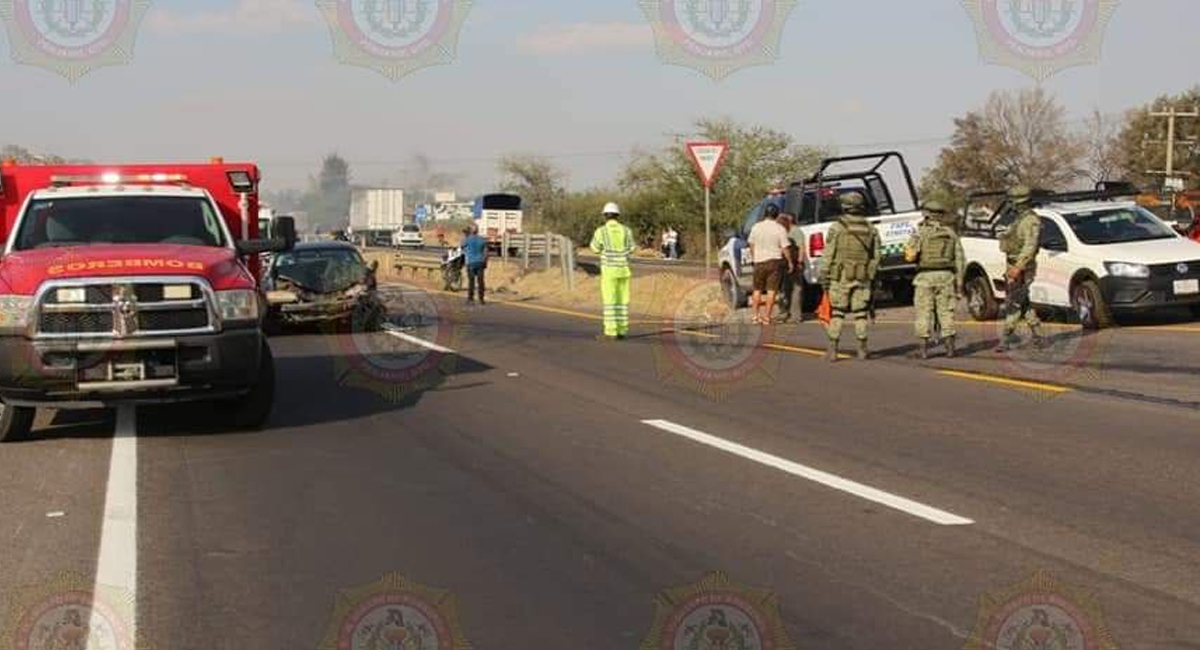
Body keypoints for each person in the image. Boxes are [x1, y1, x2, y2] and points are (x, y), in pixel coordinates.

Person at [820, 192, 881, 361]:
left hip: (840, 277)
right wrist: (871, 275)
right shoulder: (870, 228)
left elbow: (828, 254)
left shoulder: (837, 227)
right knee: (861, 313)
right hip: (862, 277)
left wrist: (823, 275)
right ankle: (862, 349)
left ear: (845, 206)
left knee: (837, 313)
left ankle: (832, 350)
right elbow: (876, 257)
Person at [905, 200, 966, 359]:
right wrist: (959, 283)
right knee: (946, 313)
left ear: (926, 213)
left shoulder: (919, 232)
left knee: (923, 313)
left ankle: (924, 351)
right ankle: (950, 350)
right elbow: (960, 259)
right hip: (946, 277)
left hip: (924, 278)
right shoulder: (950, 233)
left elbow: (910, 257)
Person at [996, 185, 1045, 352]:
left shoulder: (1031, 221)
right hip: (1013, 263)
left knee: (1014, 302)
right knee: (1023, 301)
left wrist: (1018, 267)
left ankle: (1006, 337)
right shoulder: (1020, 218)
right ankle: (1037, 334)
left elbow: (1030, 246)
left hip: (1022, 266)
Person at [590, 202, 634, 340]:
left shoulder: (601, 231)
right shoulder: (627, 231)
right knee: (622, 301)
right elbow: (632, 248)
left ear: (605, 216)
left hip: (609, 270)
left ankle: (611, 332)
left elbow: (595, 248)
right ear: (617, 215)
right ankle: (622, 330)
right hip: (624, 270)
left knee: (610, 302)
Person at [747, 203, 792, 325]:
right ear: (776, 215)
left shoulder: (756, 227)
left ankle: (755, 316)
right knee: (771, 291)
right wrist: (789, 261)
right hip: (774, 262)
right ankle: (767, 317)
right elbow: (785, 248)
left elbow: (751, 244)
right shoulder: (780, 229)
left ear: (765, 214)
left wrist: (754, 256)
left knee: (757, 290)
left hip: (759, 261)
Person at [778, 212, 806, 324]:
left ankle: (786, 313)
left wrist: (799, 261)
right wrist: (800, 261)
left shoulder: (791, 231)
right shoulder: (796, 231)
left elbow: (801, 248)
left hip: (787, 263)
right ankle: (794, 315)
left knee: (787, 289)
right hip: (791, 262)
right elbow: (801, 247)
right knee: (794, 289)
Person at [462, 224, 489, 305]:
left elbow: (462, 246)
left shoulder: (467, 239)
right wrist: (485, 262)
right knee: (481, 281)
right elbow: (486, 252)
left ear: (470, 231)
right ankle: (481, 299)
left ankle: (470, 298)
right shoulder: (482, 240)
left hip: (471, 263)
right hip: (480, 262)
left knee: (471, 281)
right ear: (477, 231)